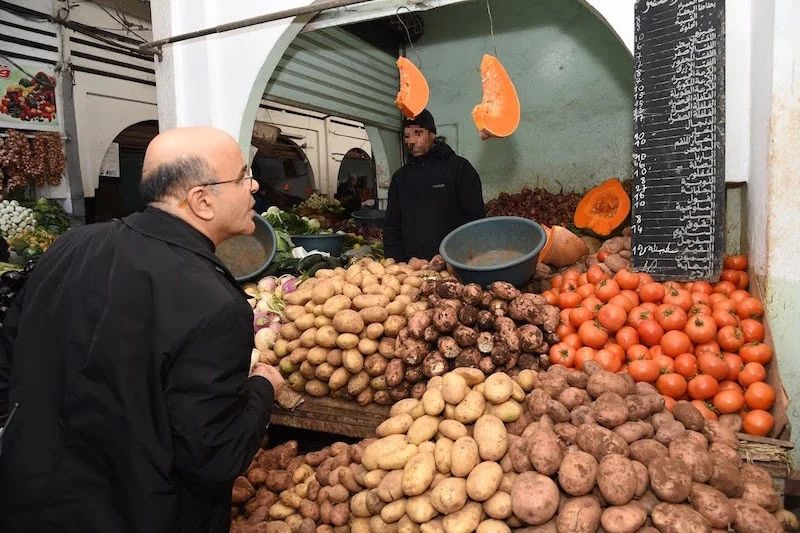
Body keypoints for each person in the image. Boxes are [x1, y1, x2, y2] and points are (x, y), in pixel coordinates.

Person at [0, 126, 285, 533]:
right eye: (242, 176)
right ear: (202, 201)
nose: (255, 185)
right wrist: (263, 388)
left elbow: (8, 368)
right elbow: (215, 457)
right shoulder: (216, 305)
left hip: (28, 503)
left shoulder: (71, 246)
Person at [383, 109, 485, 262]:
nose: (411, 141)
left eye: (418, 133)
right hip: (412, 270)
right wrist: (397, 264)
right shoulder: (401, 178)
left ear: (432, 134)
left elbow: (475, 221)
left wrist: (463, 259)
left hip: (454, 265)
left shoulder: (459, 169)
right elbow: (392, 227)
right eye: (406, 136)